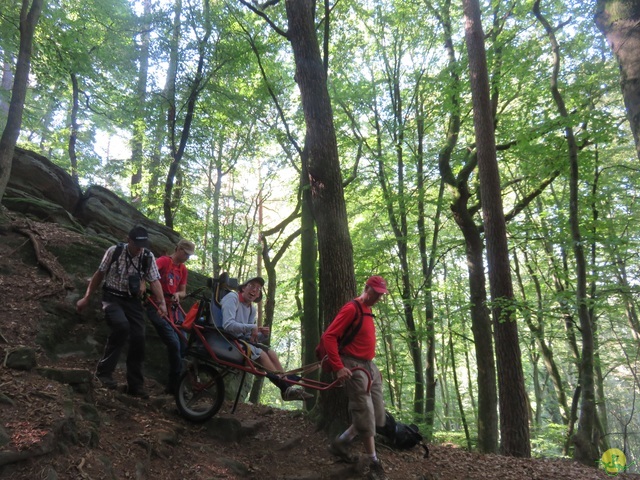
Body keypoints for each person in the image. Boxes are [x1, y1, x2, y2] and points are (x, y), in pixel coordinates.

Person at [76, 226, 167, 399]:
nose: (140, 248)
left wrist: (162, 303)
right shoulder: (114, 251)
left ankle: (135, 385)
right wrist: (86, 298)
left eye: (143, 244)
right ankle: (104, 373)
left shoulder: (147, 257)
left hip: (132, 301)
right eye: (137, 244)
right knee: (121, 326)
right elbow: (99, 275)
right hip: (111, 297)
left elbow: (154, 281)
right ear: (129, 240)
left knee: (139, 336)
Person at [324, 275, 389, 480]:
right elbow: (329, 336)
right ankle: (373, 462)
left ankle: (341, 442)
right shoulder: (352, 308)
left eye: (381, 295)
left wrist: (372, 366)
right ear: (366, 288)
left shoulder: (369, 311)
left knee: (378, 414)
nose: (378, 297)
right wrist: (338, 366)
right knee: (365, 411)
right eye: (375, 293)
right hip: (352, 365)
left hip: (369, 365)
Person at [221, 276, 312, 401]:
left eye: (258, 289)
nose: (255, 290)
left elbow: (250, 337)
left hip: (242, 340)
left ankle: (287, 385)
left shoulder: (251, 309)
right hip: (227, 339)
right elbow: (227, 325)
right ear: (243, 288)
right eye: (252, 286)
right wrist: (252, 327)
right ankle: (286, 388)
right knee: (262, 355)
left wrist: (262, 335)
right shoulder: (232, 298)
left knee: (271, 353)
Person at [145, 239, 195, 394]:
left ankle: (177, 385)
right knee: (173, 343)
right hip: (157, 305)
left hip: (174, 308)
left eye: (189, 255)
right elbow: (149, 274)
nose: (187, 257)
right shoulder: (163, 261)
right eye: (185, 254)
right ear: (178, 249)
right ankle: (175, 386)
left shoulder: (183, 269)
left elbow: (183, 291)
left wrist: (177, 295)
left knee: (184, 343)